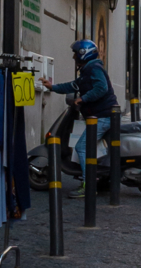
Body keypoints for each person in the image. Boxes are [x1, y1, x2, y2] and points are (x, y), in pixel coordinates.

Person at [48, 39, 117, 194]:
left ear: (83, 54)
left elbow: (101, 88)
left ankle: (89, 185)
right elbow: (73, 86)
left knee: (82, 147)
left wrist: (82, 99)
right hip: (99, 116)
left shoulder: (94, 69)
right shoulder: (88, 70)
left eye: (75, 54)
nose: (73, 58)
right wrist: (52, 87)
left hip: (102, 116)